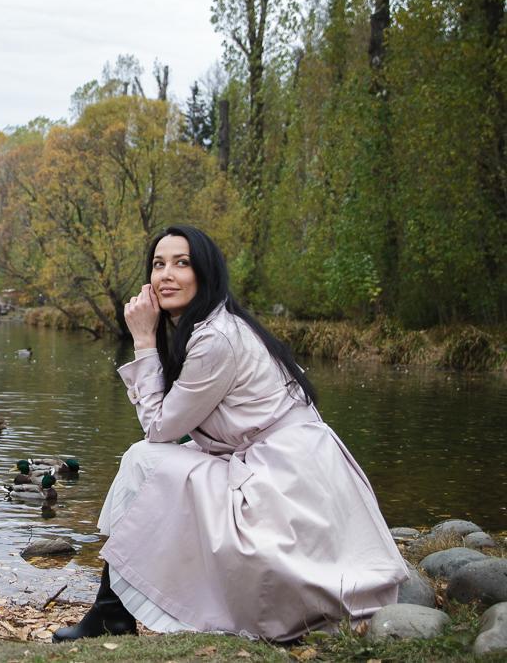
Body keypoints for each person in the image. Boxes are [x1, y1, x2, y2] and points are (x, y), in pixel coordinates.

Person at [53, 225, 407, 643]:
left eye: (182, 263)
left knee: (142, 459)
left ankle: (111, 612)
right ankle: (112, 610)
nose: (166, 274)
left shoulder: (216, 338)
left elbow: (159, 429)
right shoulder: (216, 326)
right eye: (158, 264)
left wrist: (144, 340)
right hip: (292, 470)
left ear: (206, 273)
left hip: (284, 486)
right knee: (156, 467)